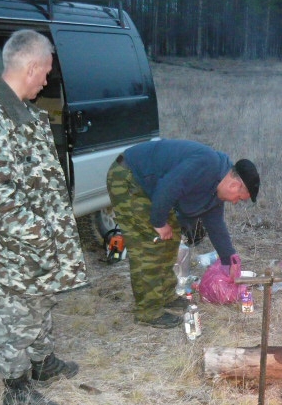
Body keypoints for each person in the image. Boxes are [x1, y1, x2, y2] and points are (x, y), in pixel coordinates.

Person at [0, 29, 88, 405]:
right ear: (31, 67)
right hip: (10, 245)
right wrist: (41, 233)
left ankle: (43, 362)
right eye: (46, 72)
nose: (46, 80)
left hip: (34, 240)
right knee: (15, 313)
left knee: (40, 301)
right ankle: (16, 389)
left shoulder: (24, 112)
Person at [106, 139, 260, 328]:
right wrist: (159, 223)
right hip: (130, 178)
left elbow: (215, 225)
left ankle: (165, 296)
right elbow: (168, 186)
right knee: (149, 245)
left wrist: (229, 259)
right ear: (235, 185)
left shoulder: (216, 189)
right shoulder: (207, 164)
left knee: (171, 241)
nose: (235, 202)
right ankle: (148, 311)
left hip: (153, 188)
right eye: (239, 198)